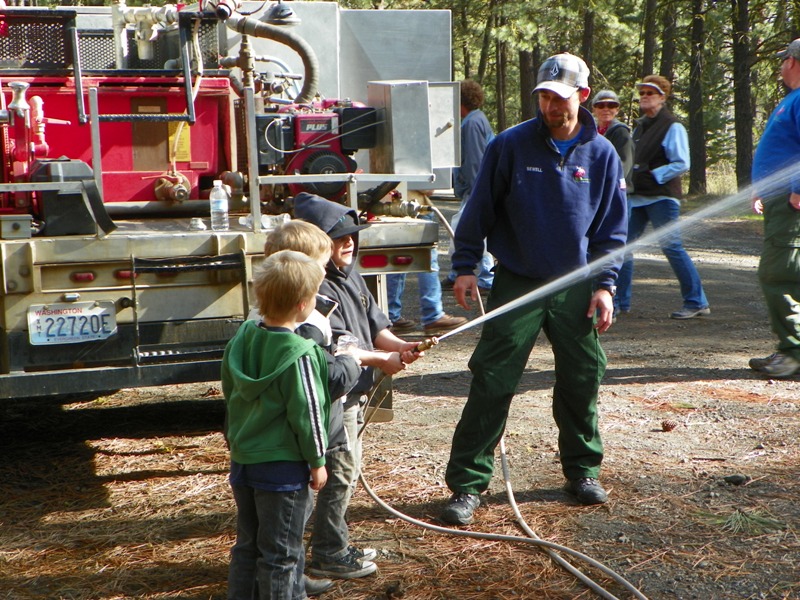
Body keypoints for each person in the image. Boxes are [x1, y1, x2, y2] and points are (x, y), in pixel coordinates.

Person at [439, 52, 628, 526]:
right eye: (543, 96)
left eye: (559, 97)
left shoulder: (602, 153)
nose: (549, 106)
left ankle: (582, 471)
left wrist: (605, 285)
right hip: (516, 281)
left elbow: (611, 230)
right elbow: (478, 209)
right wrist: (465, 266)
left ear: (582, 96)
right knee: (492, 378)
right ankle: (467, 484)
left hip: (576, 286)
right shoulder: (510, 145)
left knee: (582, 378)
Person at [292, 192, 423, 578]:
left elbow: (375, 326)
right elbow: (342, 347)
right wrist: (383, 361)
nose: (349, 242)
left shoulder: (352, 275)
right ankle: (329, 553)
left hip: (358, 391)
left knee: (347, 469)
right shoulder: (316, 289)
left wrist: (402, 347)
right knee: (339, 472)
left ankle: (332, 543)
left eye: (353, 235)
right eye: (338, 237)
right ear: (315, 243)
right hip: (338, 397)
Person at [223, 250, 331, 600]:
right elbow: (308, 411)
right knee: (282, 554)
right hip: (282, 470)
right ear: (303, 304)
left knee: (248, 546)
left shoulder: (242, 337)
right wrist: (317, 460)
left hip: (244, 460)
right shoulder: (300, 352)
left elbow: (230, 392)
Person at [615, 74, 710, 320]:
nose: (645, 97)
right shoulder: (640, 126)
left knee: (671, 246)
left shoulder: (672, 126)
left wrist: (654, 175)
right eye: (642, 93)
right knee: (622, 247)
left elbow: (681, 162)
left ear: (662, 97)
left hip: (662, 197)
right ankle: (619, 302)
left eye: (650, 93)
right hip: (637, 197)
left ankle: (696, 301)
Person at [748, 38, 800, 379]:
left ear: (794, 62)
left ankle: (793, 352)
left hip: (790, 201)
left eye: (784, 61)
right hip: (780, 197)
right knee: (787, 269)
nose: (781, 66)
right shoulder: (791, 100)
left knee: (777, 272)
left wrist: (797, 188)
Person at [387, 191, 467, 335]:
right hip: (415, 204)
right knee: (428, 260)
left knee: (395, 260)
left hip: (386, 205)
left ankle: (390, 315)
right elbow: (428, 188)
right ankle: (433, 315)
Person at [443, 79, 496, 291]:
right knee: (463, 229)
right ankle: (459, 273)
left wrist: (476, 194)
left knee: (468, 229)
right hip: (475, 189)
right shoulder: (475, 119)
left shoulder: (472, 124)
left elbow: (475, 161)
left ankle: (486, 277)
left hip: (476, 190)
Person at [591, 89, 634, 185]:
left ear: (617, 110)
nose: (606, 109)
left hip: (615, 189)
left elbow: (624, 166)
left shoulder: (621, 132)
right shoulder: (590, 132)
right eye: (601, 106)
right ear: (594, 110)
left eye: (611, 105)